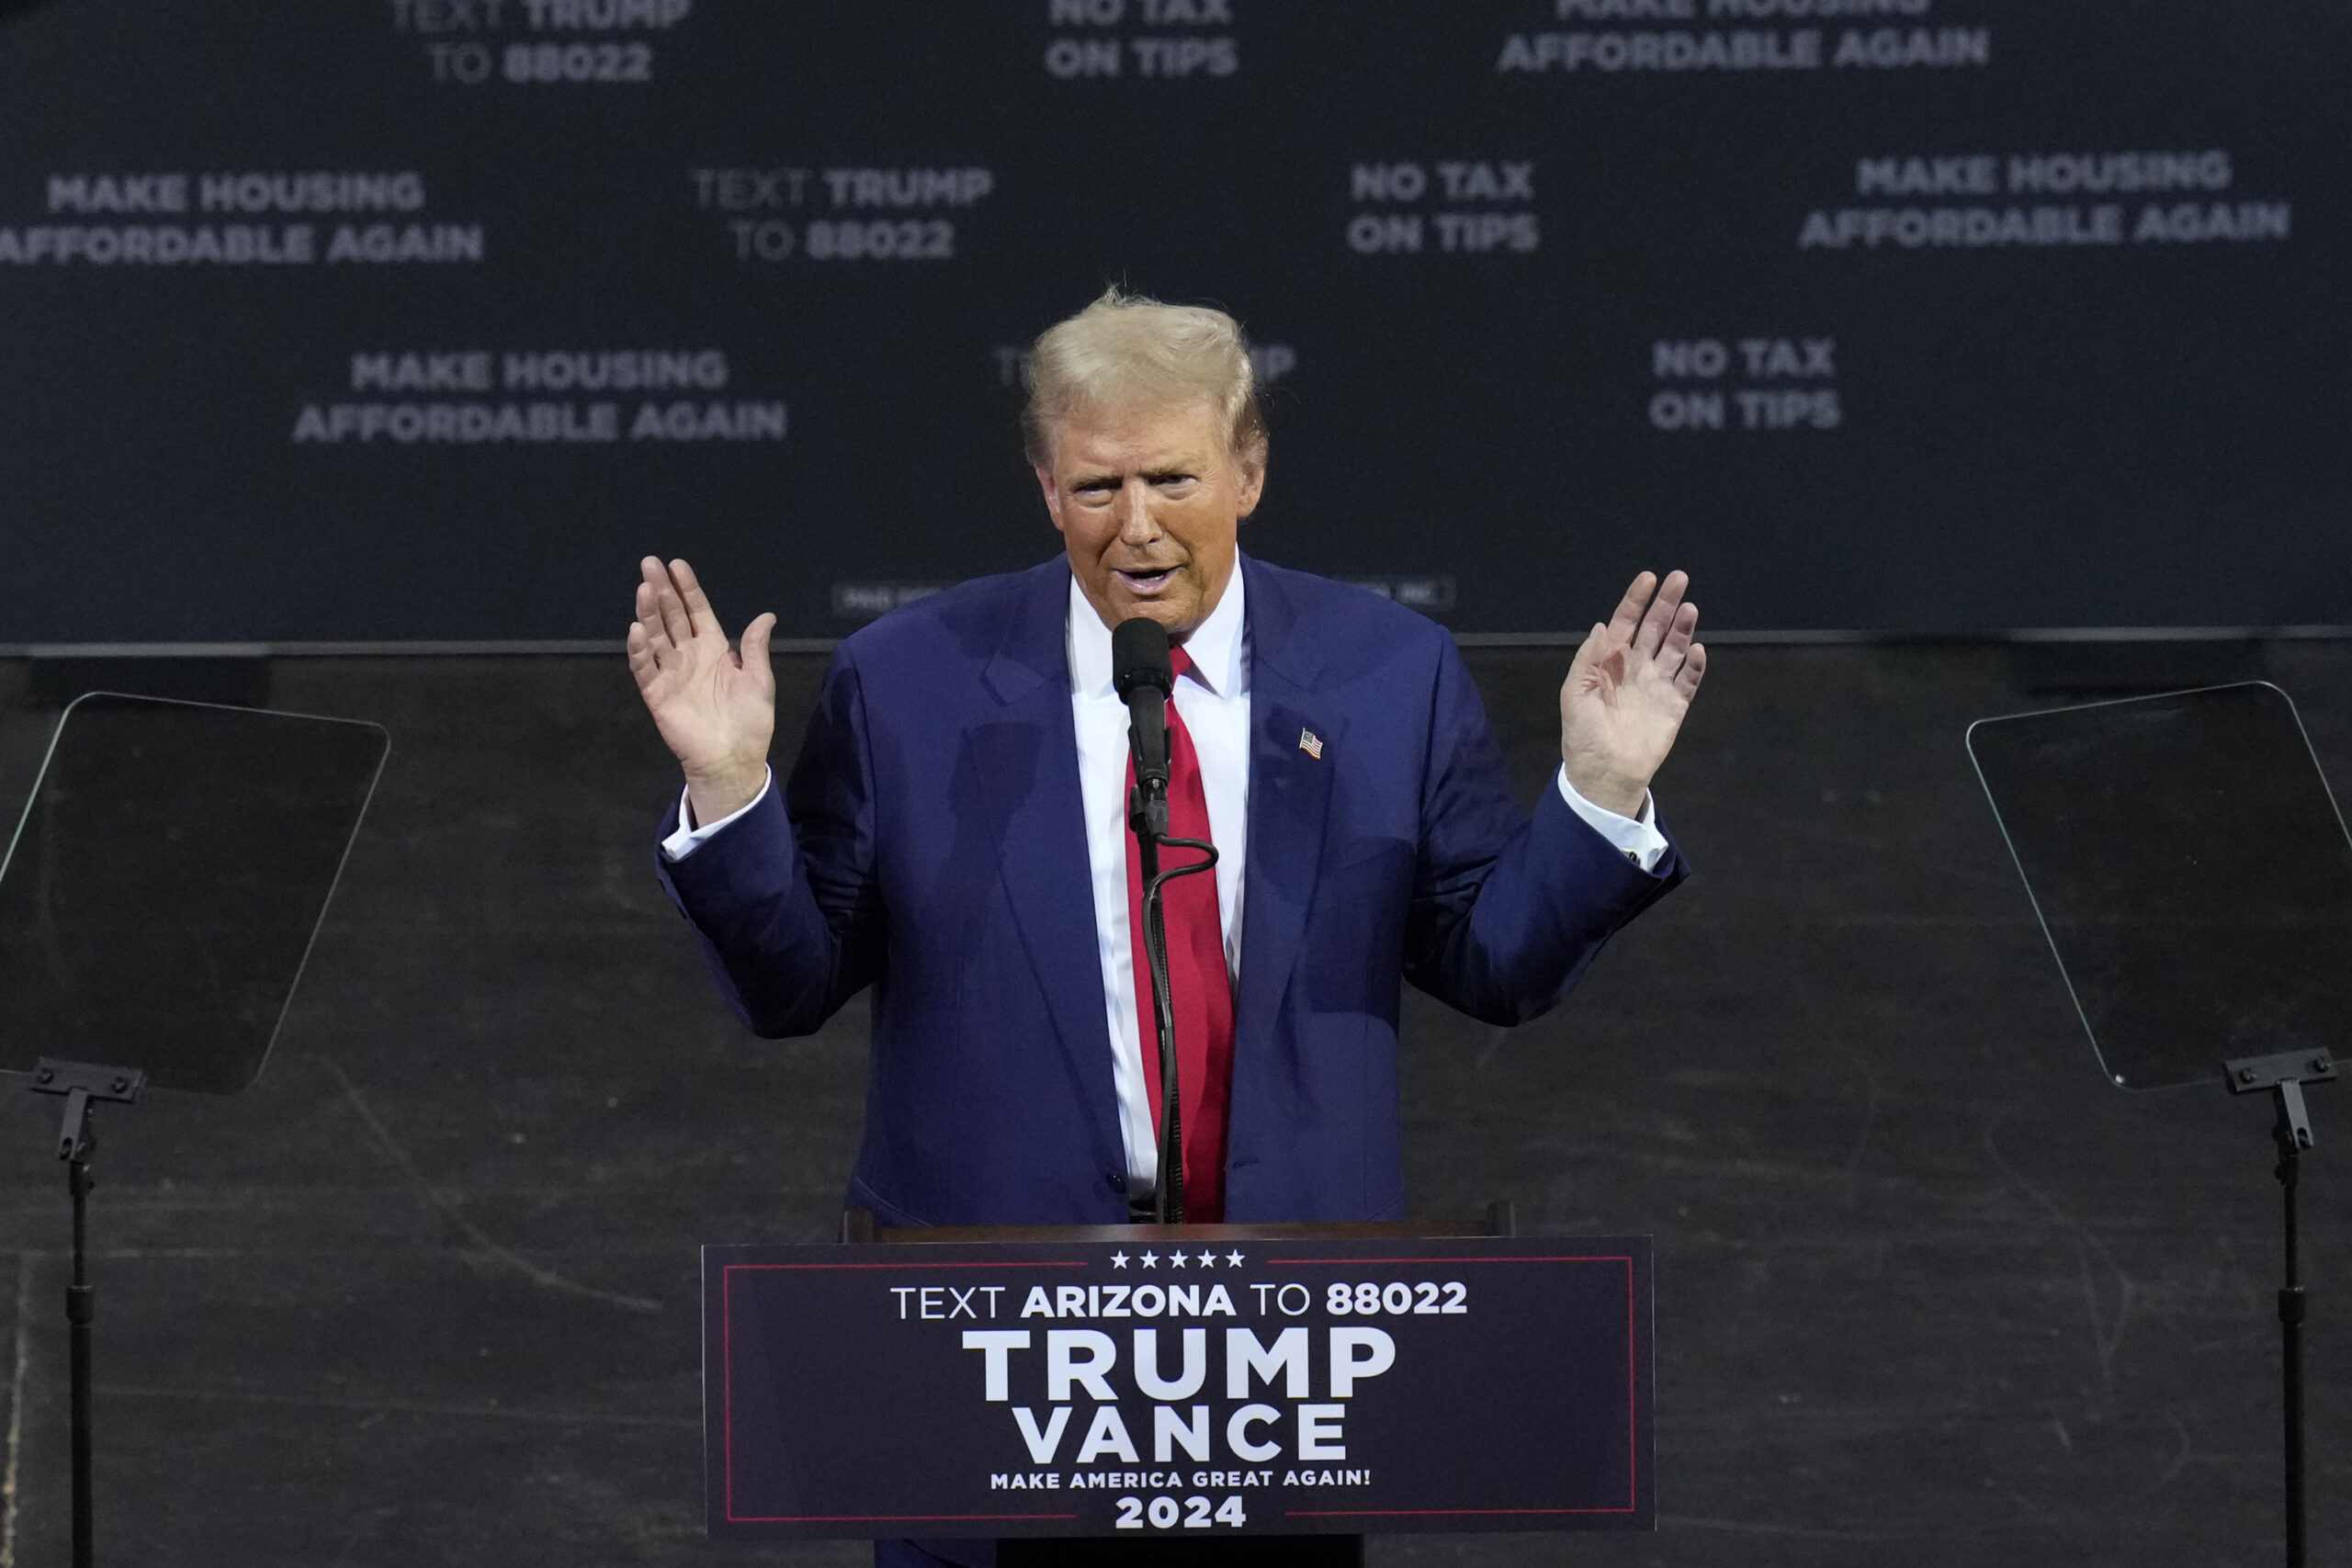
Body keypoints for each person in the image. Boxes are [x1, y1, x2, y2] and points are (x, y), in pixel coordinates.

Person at [628, 289, 1705, 1566]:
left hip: (1279, 1358)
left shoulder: (1387, 674)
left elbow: (1497, 961)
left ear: (1248, 470)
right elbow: (790, 982)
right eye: (1096, 488)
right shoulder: (908, 682)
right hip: (995, 1345)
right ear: (1043, 486)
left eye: (1174, 479)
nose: (1136, 527)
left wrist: (1601, 792)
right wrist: (729, 790)